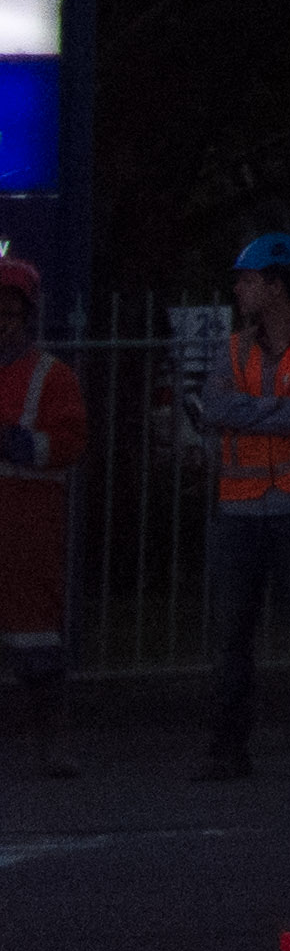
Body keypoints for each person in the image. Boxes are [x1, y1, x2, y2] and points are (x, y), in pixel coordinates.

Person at [194, 234, 290, 784]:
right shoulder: (236, 348)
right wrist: (274, 410)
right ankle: (228, 748)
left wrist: (246, 412)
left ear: (277, 285)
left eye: (248, 279)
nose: (239, 289)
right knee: (231, 633)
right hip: (240, 508)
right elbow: (212, 406)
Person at [1, 255, 81, 778]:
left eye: (8, 312)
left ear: (26, 317)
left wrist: (19, 443)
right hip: (23, 529)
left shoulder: (54, 377)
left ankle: (51, 746)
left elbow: (72, 442)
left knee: (36, 648)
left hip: (27, 534)